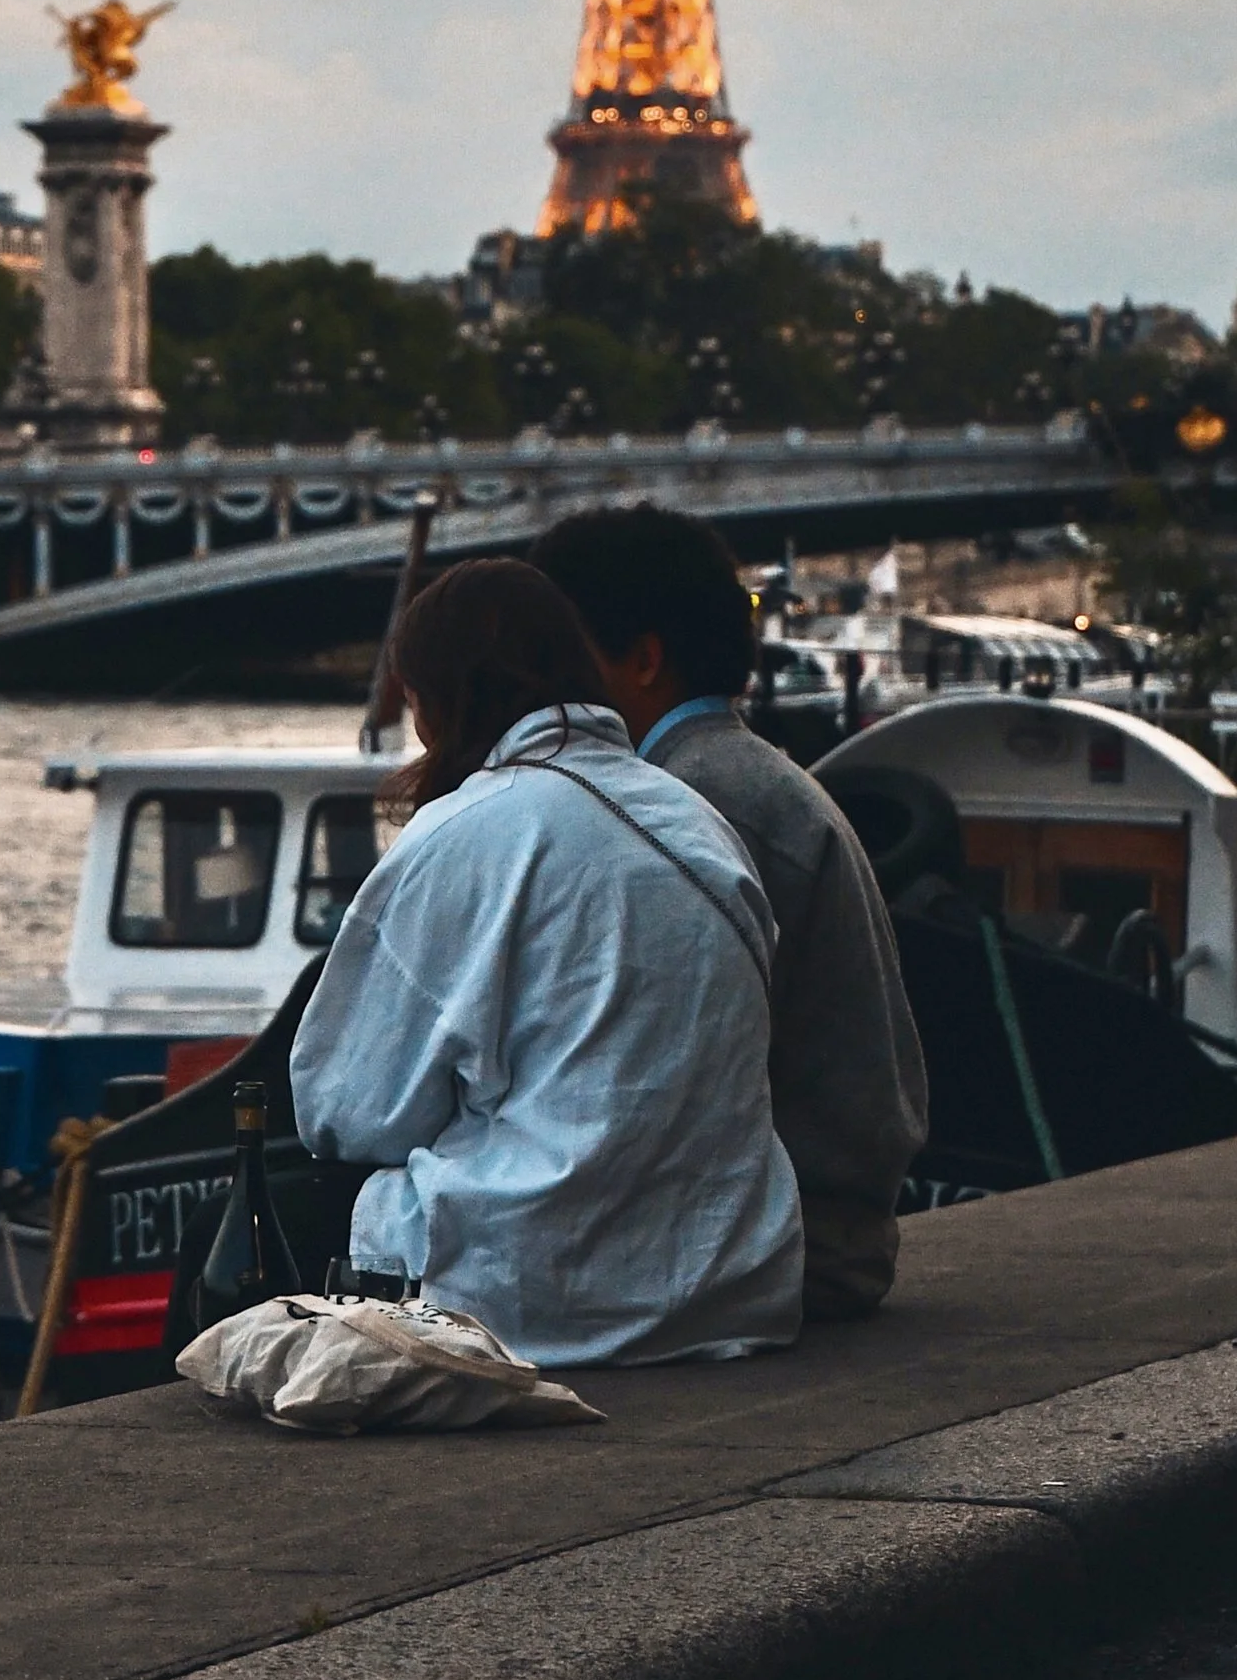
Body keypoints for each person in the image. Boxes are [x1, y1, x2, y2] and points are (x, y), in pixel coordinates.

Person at [290, 557, 801, 1370]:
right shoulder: (698, 821)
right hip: (727, 1290)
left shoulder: (464, 831)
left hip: (528, 1300)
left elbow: (344, 1110)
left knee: (293, 1191)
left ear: (440, 700)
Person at [527, 506, 927, 1323]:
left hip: (777, 1246)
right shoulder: (744, 777)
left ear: (642, 661)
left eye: (556, 660)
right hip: (822, 1224)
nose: (534, 690)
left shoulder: (682, 814)